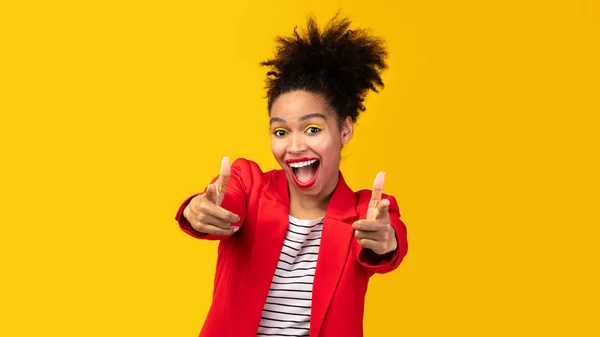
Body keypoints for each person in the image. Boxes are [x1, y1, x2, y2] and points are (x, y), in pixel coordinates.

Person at [175, 13, 408, 337]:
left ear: (344, 129)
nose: (295, 145)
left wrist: (385, 240)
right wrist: (197, 209)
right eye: (281, 131)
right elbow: (222, 202)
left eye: (312, 129)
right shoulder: (247, 182)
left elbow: (388, 240)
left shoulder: (366, 211)